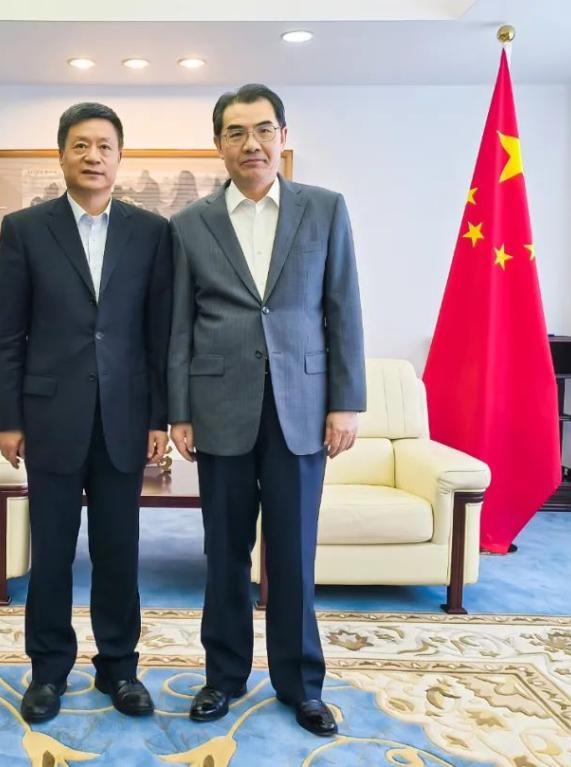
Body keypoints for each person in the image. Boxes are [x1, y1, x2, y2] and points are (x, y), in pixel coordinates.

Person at [168, 84, 366, 736]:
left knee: (293, 554)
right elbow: (178, 325)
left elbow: (342, 308)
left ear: (282, 135)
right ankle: (223, 677)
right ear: (218, 144)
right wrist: (178, 410)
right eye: (236, 132)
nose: (250, 143)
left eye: (262, 130)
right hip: (218, 408)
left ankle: (301, 684)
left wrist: (345, 401)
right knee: (224, 553)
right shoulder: (189, 224)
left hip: (301, 409)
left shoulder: (325, 209)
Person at [0, 102, 172, 723]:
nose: (93, 157)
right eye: (81, 145)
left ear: (120, 157)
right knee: (52, 553)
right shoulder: (25, 229)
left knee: (120, 552)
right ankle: (48, 671)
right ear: (62, 154)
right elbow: (8, 334)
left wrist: (158, 419)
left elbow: (157, 334)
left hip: (125, 418)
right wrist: (9, 418)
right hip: (50, 418)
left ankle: (119, 668)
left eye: (104, 146)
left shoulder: (150, 232)